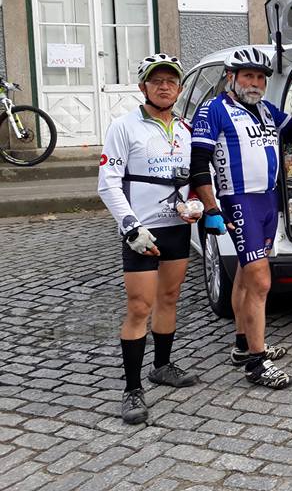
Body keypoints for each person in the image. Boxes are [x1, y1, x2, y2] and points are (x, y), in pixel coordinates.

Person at [189, 47, 292, 388]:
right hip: (239, 200)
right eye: (248, 75)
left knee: (245, 277)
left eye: (261, 77)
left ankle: (243, 345)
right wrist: (211, 208)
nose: (256, 83)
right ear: (231, 77)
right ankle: (257, 364)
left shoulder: (265, 110)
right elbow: (198, 164)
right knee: (261, 281)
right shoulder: (214, 109)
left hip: (267, 200)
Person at [98, 53, 201, 425]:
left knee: (169, 298)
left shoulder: (186, 129)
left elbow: (193, 177)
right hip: (141, 231)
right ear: (143, 86)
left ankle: (162, 366)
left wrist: (194, 204)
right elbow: (108, 183)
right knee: (140, 307)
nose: (164, 86)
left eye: (171, 81)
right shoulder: (123, 126)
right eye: (157, 81)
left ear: (180, 88)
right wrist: (130, 227)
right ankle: (131, 388)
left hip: (176, 228)